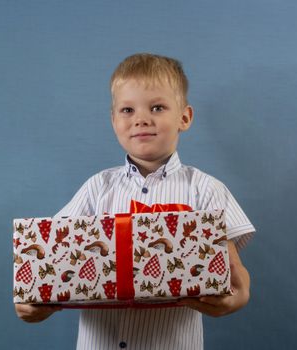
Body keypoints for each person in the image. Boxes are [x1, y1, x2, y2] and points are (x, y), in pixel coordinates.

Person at [15, 53, 256, 349]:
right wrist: (31, 300)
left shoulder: (205, 190)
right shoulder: (97, 188)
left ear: (185, 117)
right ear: (113, 120)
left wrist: (239, 295)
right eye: (127, 110)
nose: (141, 118)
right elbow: (50, 255)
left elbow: (235, 270)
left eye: (157, 107)